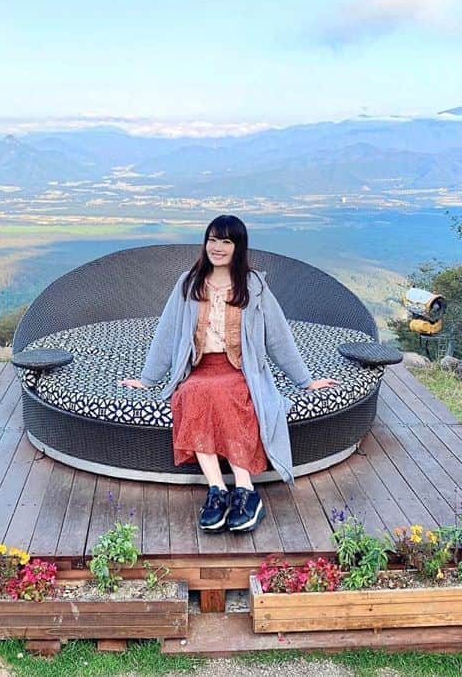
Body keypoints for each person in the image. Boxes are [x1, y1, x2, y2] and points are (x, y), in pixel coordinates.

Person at [120, 215, 339, 533]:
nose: (217, 247)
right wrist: (148, 379)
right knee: (190, 393)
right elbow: (167, 333)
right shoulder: (188, 283)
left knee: (228, 394)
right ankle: (216, 491)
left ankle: (246, 490)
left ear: (238, 247)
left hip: (239, 370)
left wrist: (305, 381)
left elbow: (278, 337)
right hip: (200, 370)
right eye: (212, 239)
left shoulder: (254, 286)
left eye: (226, 241)